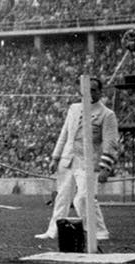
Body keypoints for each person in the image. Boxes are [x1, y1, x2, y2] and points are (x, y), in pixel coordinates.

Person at [36, 76, 119, 241]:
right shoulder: (74, 108)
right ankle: (53, 230)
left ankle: (99, 231)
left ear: (100, 92)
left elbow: (111, 143)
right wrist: (55, 157)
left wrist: (105, 168)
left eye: (93, 90)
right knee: (62, 197)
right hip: (68, 160)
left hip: (88, 162)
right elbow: (64, 134)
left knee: (84, 198)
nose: (89, 93)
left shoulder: (107, 114)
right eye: (86, 90)